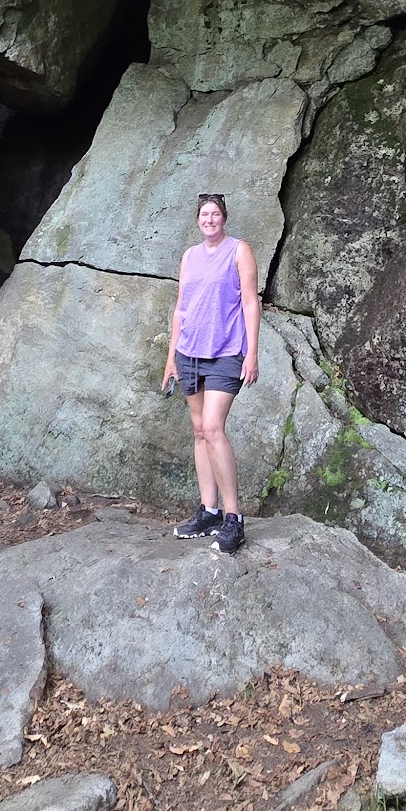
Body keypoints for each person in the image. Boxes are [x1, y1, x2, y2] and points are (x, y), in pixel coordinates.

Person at [162, 192, 260, 554]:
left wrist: (252, 352)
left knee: (214, 427)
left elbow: (250, 301)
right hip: (189, 352)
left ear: (224, 218)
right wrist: (172, 358)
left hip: (226, 352)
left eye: (215, 214)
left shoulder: (238, 250)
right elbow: (180, 309)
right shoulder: (190, 256)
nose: (210, 219)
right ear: (198, 219)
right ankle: (209, 510)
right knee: (200, 430)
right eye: (204, 214)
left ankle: (233, 518)